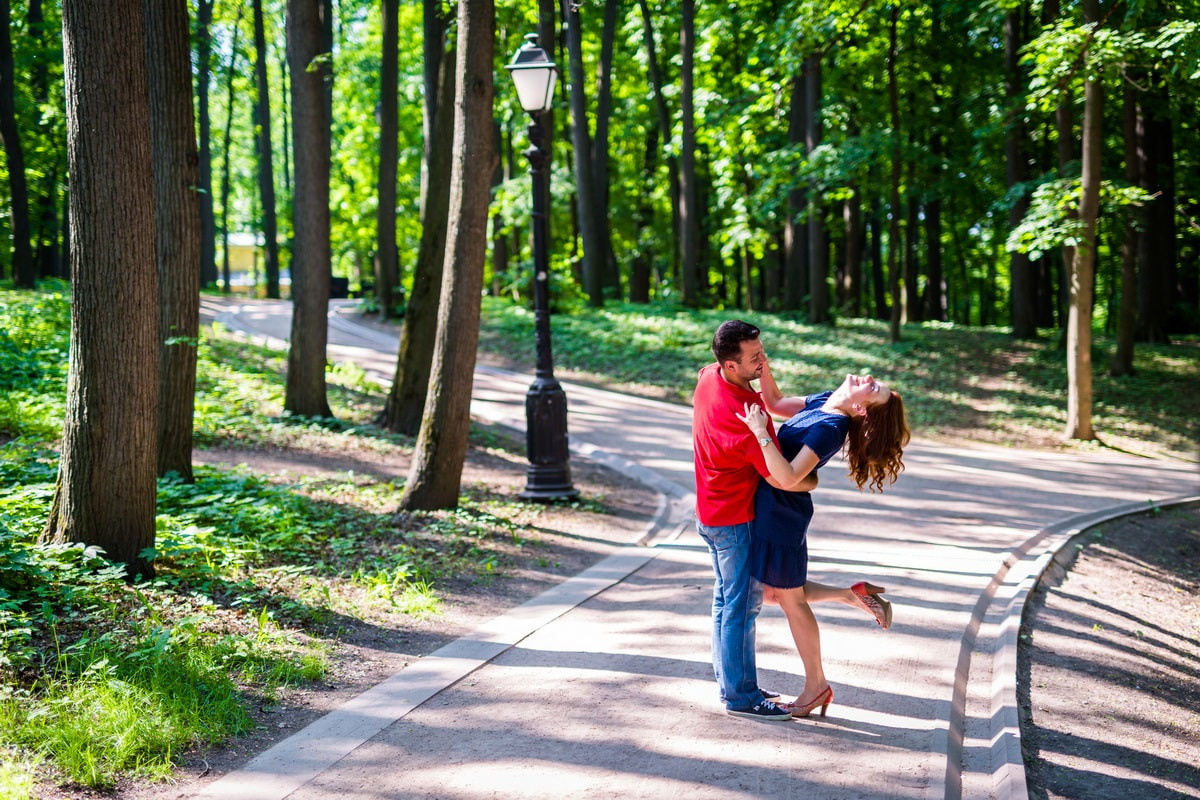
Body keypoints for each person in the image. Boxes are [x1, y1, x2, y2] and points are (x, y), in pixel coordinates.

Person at [735, 361, 910, 719]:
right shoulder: (827, 401)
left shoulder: (831, 427)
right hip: (776, 504)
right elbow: (775, 402)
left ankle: (816, 686)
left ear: (860, 408)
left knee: (788, 600)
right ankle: (851, 594)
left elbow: (786, 476)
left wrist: (759, 434)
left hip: (782, 512)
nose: (871, 379)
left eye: (874, 389)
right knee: (777, 593)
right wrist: (762, 366)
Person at [692, 320, 817, 721]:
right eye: (755, 358)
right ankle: (742, 697)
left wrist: (762, 375)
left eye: (762, 351)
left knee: (725, 601)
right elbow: (784, 478)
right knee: (742, 607)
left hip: (709, 513)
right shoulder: (744, 422)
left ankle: (732, 681)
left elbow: (767, 393)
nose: (763, 361)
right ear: (731, 365)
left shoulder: (709, 376)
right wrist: (812, 477)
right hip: (734, 521)